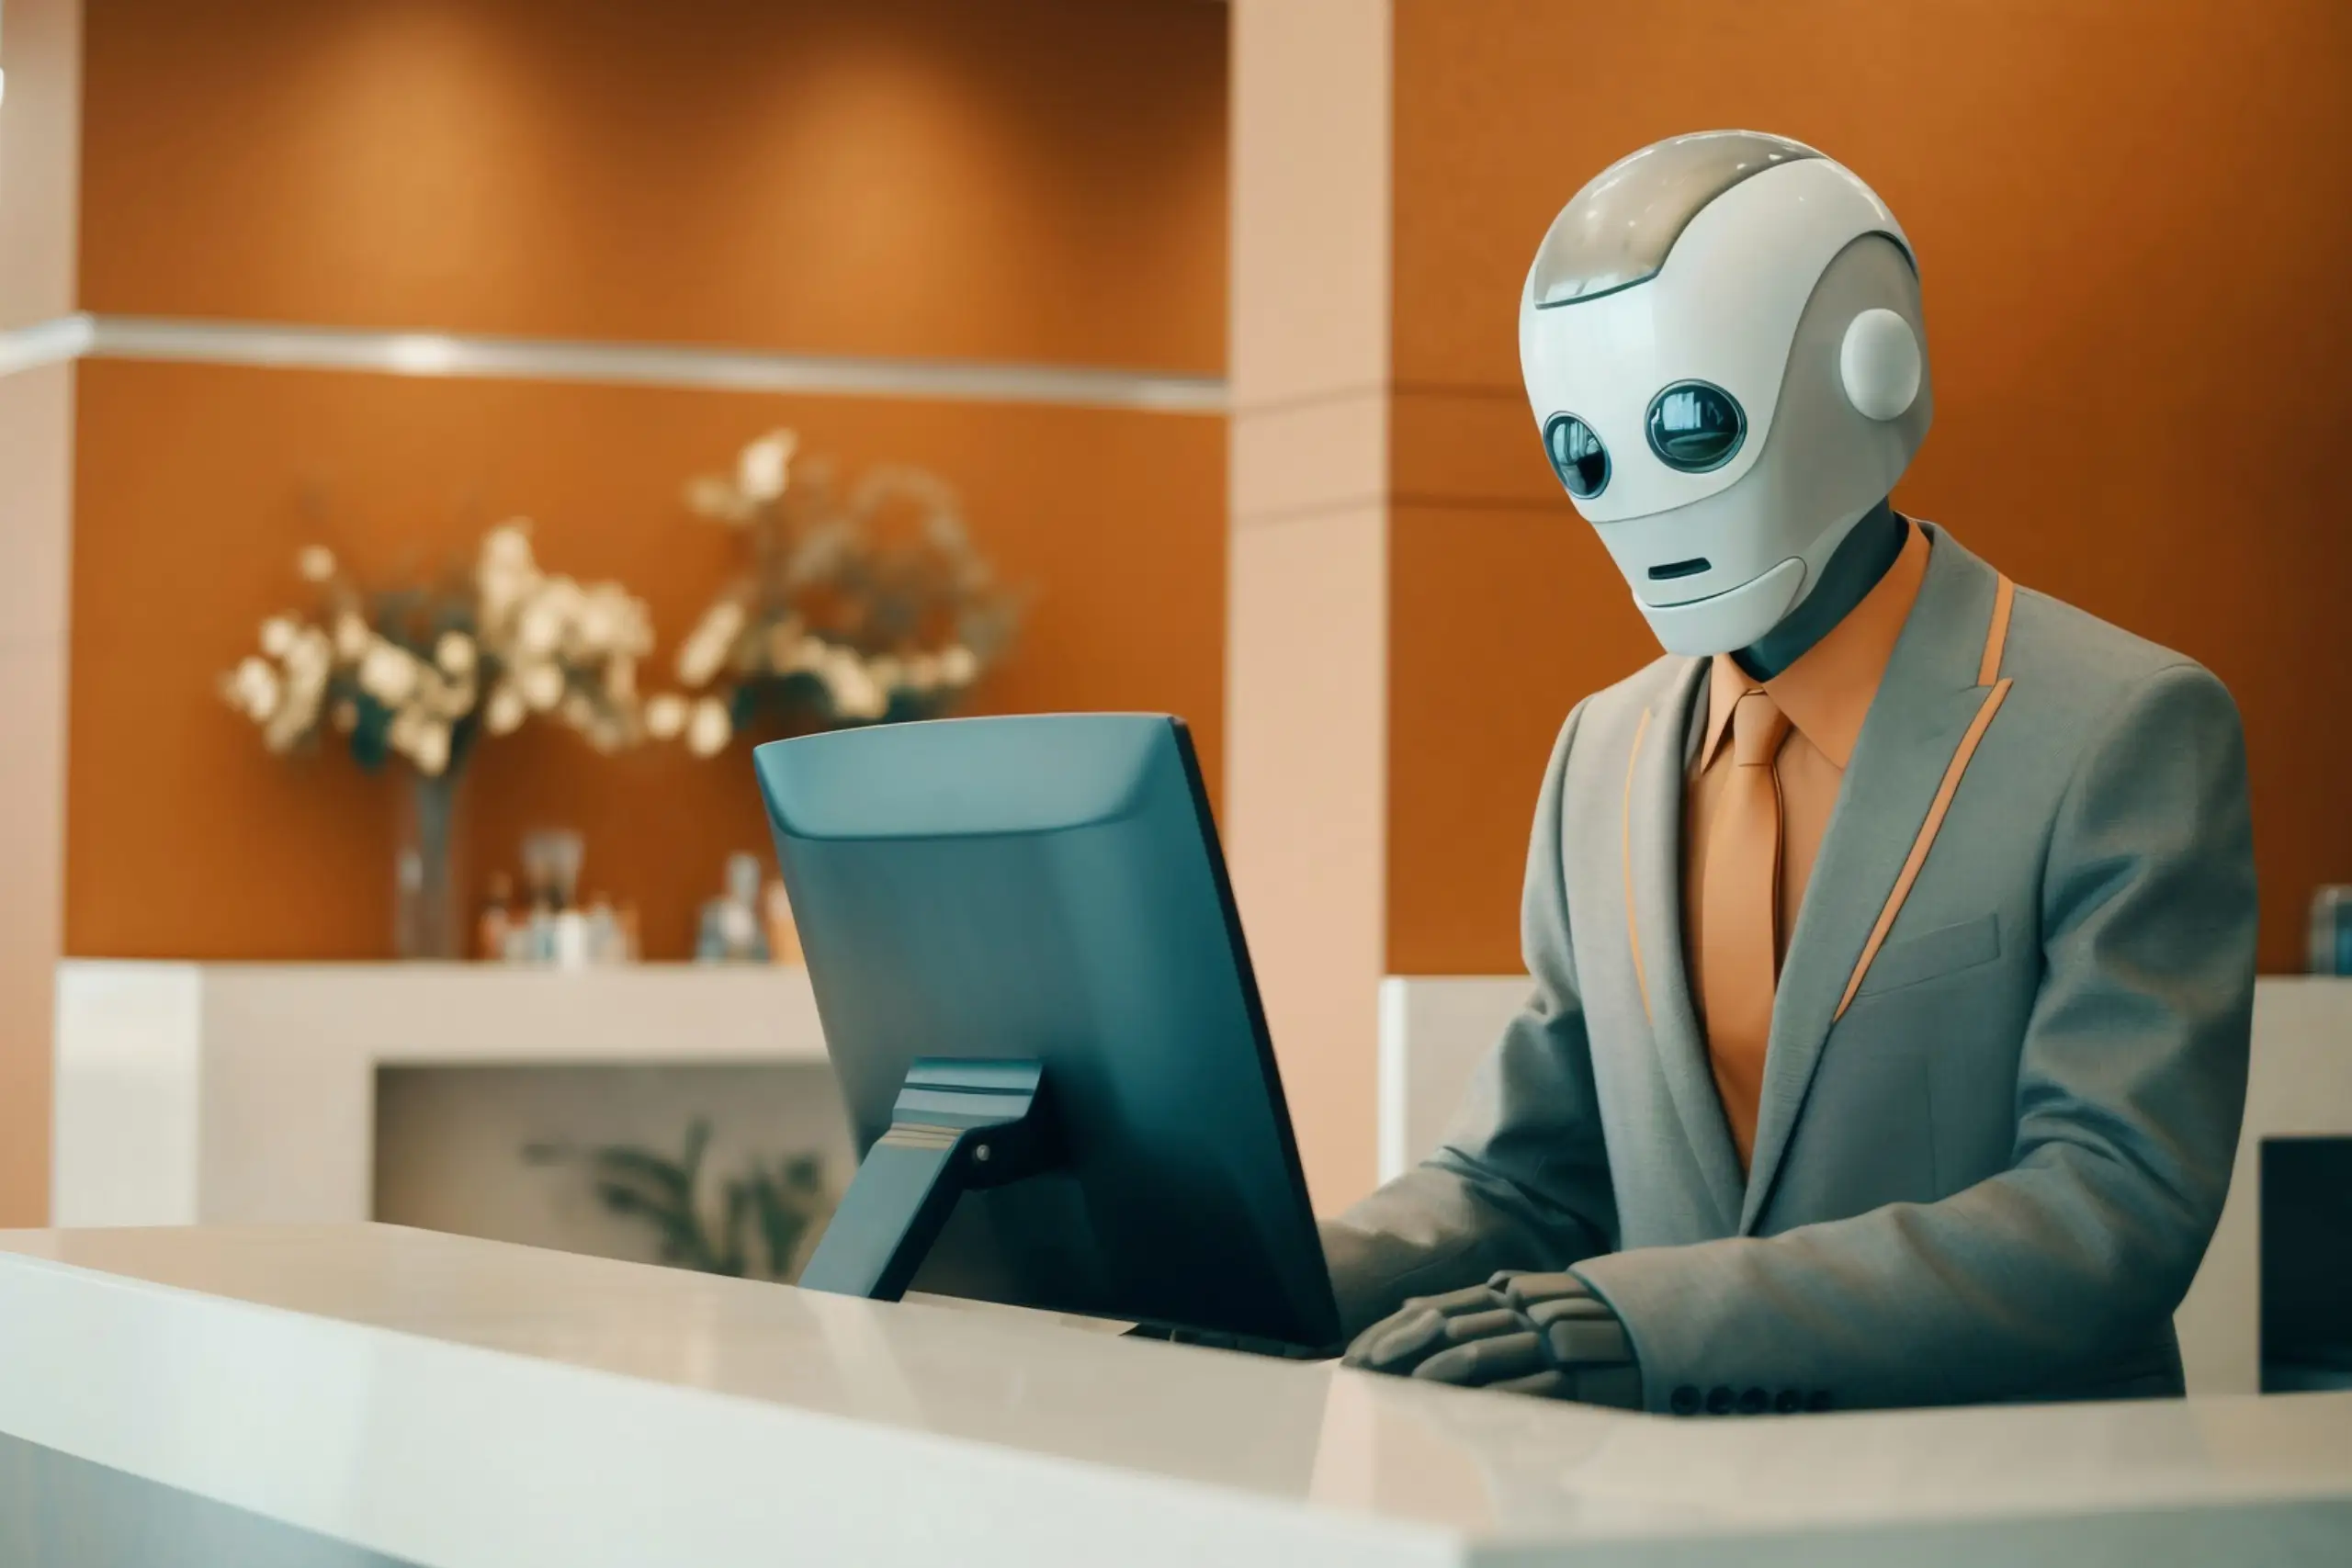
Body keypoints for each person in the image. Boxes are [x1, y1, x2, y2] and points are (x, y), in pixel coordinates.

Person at [1320, 131, 2256, 1416]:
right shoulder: (1603, 751)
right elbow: (1526, 1178)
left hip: (2012, 1508)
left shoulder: (2123, 726)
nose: (1638, 497)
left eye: (1688, 428)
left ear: (1874, 365)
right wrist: (1274, 1271)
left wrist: (1642, 1313)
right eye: (1584, 455)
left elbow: (2114, 1201)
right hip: (1665, 1508)